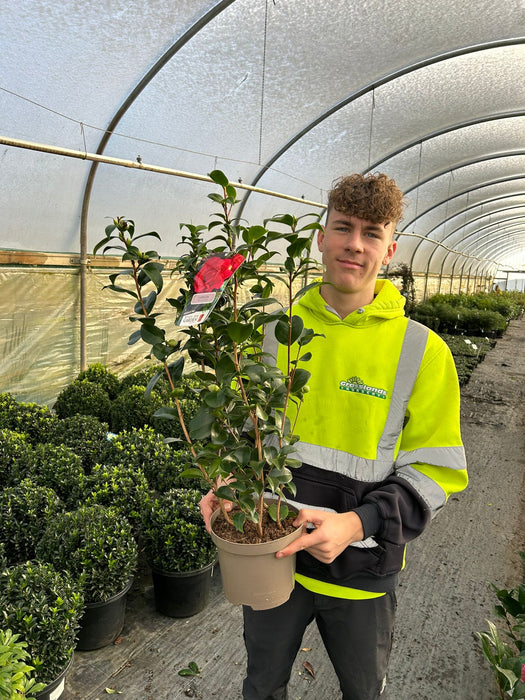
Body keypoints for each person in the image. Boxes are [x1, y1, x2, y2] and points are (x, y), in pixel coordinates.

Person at [200, 172, 468, 700]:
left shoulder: (422, 351)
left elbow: (436, 471)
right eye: (343, 228)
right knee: (261, 684)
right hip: (271, 557)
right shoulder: (275, 333)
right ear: (321, 237)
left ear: (390, 249)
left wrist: (357, 522)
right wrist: (228, 484)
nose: (354, 244)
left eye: (372, 233)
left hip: (364, 564)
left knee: (363, 691)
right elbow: (249, 432)